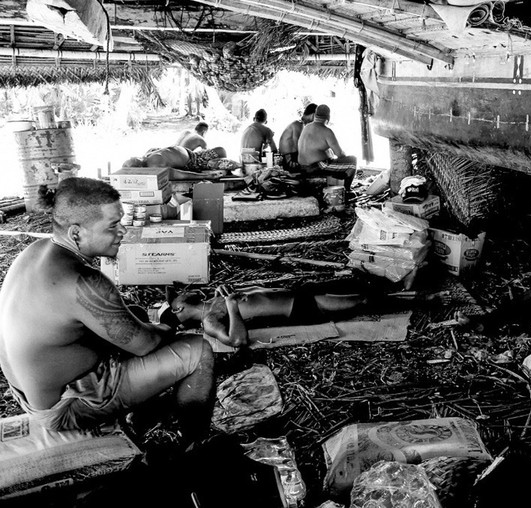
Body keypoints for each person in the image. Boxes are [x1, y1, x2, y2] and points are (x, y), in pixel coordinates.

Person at [0, 178, 214, 441]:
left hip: (32, 390)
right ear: (76, 233)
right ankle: (187, 440)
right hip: (68, 406)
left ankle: (144, 411)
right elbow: (145, 345)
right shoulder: (84, 282)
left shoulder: (35, 251)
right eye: (112, 226)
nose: (122, 231)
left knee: (134, 311)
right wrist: (172, 320)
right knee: (198, 350)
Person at [169, 283, 369, 347]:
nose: (183, 292)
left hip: (296, 292)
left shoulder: (214, 298)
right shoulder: (209, 321)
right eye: (179, 296)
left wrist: (227, 293)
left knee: (362, 290)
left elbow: (253, 294)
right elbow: (237, 340)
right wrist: (231, 306)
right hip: (298, 306)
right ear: (178, 309)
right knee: (364, 301)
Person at [298, 104, 358, 195]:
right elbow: (340, 154)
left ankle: (339, 180)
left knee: (332, 161)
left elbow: (315, 147)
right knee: (353, 161)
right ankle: (348, 190)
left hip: (302, 165)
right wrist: (343, 157)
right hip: (317, 166)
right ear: (328, 118)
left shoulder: (307, 127)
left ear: (315, 115)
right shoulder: (327, 131)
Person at [122, 145, 235, 180]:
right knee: (221, 150)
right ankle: (224, 172)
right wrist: (205, 175)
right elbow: (178, 174)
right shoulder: (154, 166)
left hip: (192, 154)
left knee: (221, 150)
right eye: (130, 162)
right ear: (137, 168)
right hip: (195, 161)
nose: (131, 157)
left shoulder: (147, 155)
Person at [277, 103, 317, 173]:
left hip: (289, 158)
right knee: (315, 169)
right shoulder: (298, 125)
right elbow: (298, 146)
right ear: (313, 115)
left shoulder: (299, 125)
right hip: (290, 160)